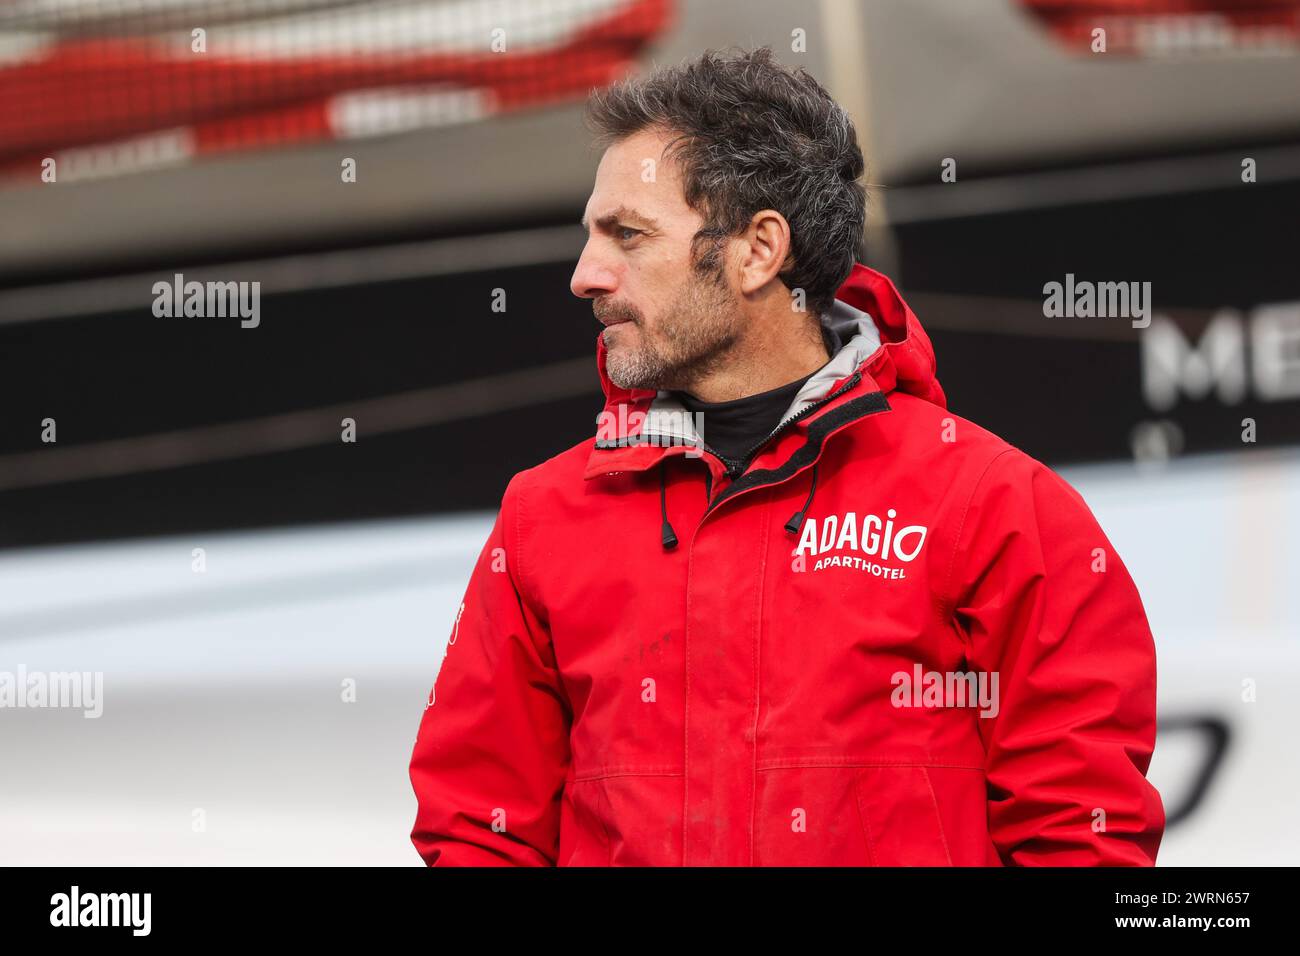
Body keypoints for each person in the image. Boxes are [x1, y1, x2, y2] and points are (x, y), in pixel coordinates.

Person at [408, 47, 1164, 866]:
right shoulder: (541, 517)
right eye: (591, 236)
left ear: (759, 251)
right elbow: (477, 831)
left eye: (627, 235)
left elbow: (1083, 835)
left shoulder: (993, 503)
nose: (585, 275)